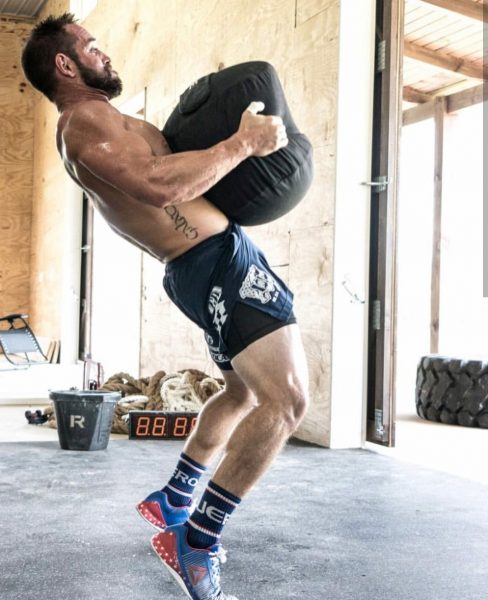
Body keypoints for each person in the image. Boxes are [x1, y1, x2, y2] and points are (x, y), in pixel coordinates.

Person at [22, 13, 309, 600]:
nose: (104, 55)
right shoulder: (84, 123)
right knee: (288, 403)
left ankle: (176, 497)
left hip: (205, 263)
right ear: (65, 64)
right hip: (213, 265)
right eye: (93, 48)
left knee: (244, 393)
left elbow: (171, 170)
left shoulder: (100, 119)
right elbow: (156, 186)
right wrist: (241, 143)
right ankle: (198, 539)